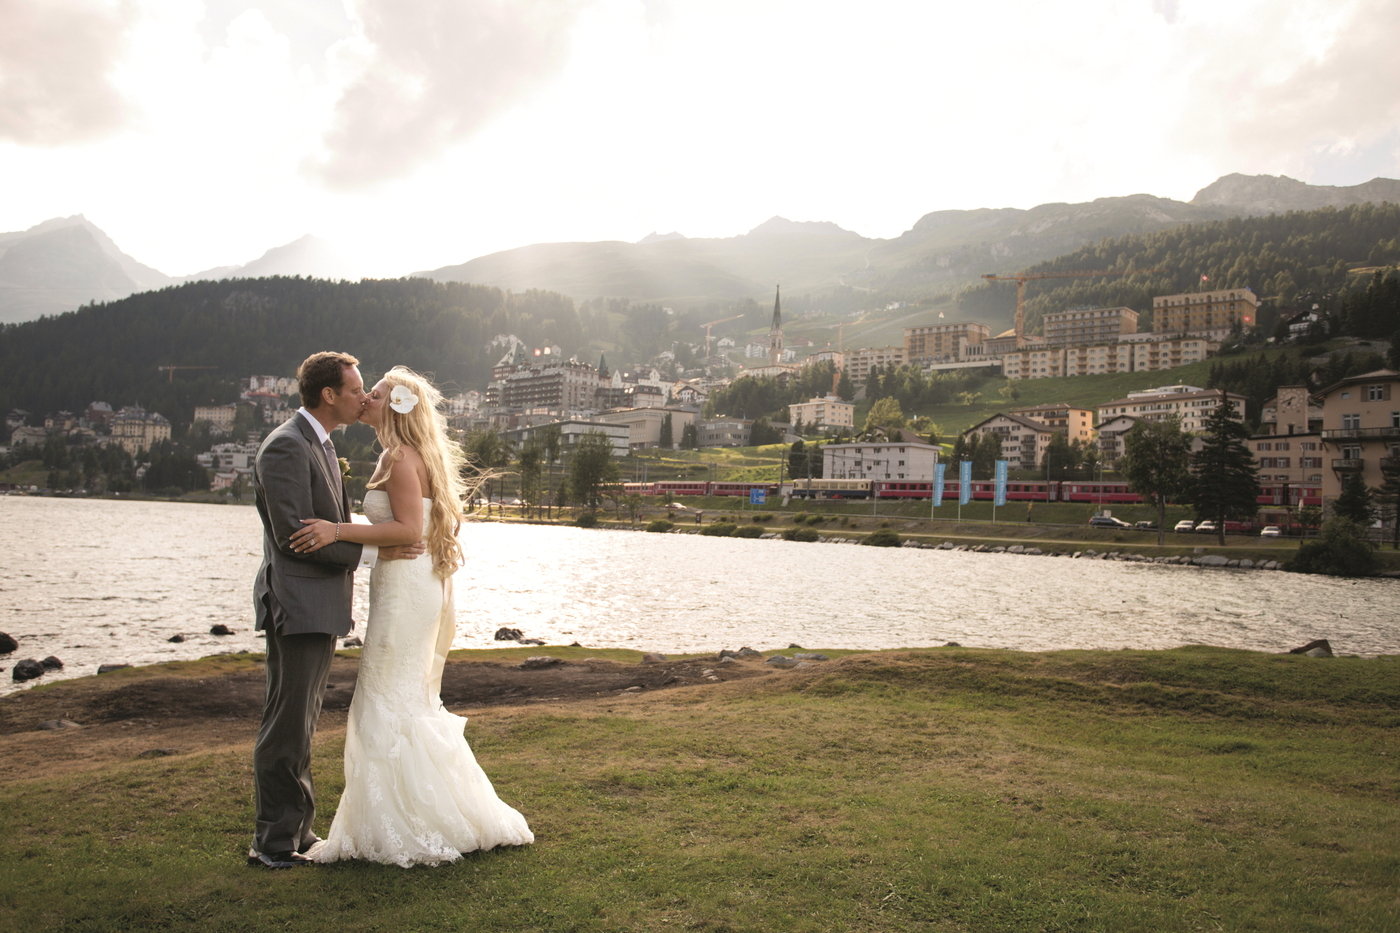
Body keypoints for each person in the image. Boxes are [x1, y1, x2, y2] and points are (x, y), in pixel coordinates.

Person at [290, 366, 533, 867]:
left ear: (394, 406)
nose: (364, 399)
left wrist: (337, 531)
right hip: (406, 582)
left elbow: (406, 528)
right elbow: (407, 528)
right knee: (398, 696)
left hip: (405, 587)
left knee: (384, 697)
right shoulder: (402, 455)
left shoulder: (399, 457)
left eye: (372, 394)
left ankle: (404, 824)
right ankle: (421, 815)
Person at [249, 351, 424, 870]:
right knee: (286, 722)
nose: (362, 398)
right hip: (298, 603)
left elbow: (328, 525)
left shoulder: (319, 445)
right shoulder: (286, 447)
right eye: (355, 391)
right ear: (329, 395)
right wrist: (379, 550)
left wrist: (366, 544)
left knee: (301, 720)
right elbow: (297, 538)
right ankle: (274, 843)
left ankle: (297, 831)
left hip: (318, 603)